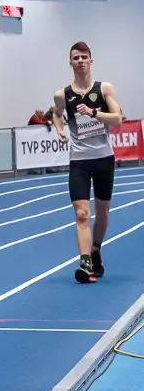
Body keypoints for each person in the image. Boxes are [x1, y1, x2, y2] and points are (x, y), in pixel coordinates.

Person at [52, 41, 122, 283]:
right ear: (70, 62)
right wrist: (59, 129)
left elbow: (117, 119)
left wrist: (93, 112)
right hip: (79, 162)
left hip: (103, 158)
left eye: (84, 57)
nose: (80, 61)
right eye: (76, 57)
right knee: (82, 214)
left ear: (91, 61)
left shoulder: (104, 89)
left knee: (102, 214)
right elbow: (56, 113)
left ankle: (96, 249)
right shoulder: (62, 94)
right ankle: (85, 263)